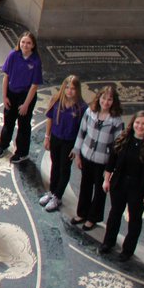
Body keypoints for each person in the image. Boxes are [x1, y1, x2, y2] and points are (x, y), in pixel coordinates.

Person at [100, 111, 144, 262]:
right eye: (138, 122)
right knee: (115, 214)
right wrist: (106, 180)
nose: (140, 126)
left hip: (139, 188)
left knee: (135, 219)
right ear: (133, 123)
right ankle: (108, 242)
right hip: (119, 183)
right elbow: (111, 162)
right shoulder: (122, 139)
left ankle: (127, 250)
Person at [72, 85, 125, 232]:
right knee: (85, 186)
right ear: (98, 98)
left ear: (114, 102)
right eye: (103, 98)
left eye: (109, 99)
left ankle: (92, 218)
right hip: (87, 156)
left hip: (103, 161)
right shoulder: (90, 112)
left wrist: (111, 168)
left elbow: (117, 146)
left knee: (100, 192)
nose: (106, 102)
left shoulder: (116, 121)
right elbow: (81, 132)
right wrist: (77, 154)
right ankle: (82, 213)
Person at [0, 31, 43, 163]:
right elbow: (6, 76)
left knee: (23, 125)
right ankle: (3, 145)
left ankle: (22, 152)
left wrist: (26, 104)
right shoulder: (13, 55)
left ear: (33, 45)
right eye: (23, 42)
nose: (25, 45)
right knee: (8, 121)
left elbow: (34, 86)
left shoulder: (35, 61)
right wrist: (4, 96)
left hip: (25, 96)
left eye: (28, 43)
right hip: (11, 93)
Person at [40, 75, 85, 212]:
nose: (69, 91)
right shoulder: (56, 100)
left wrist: (77, 149)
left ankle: (58, 196)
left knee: (64, 168)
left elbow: (82, 130)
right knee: (55, 165)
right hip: (56, 138)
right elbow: (50, 119)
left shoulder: (81, 108)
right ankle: (52, 191)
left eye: (72, 88)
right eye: (67, 88)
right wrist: (47, 137)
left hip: (69, 141)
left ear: (77, 90)